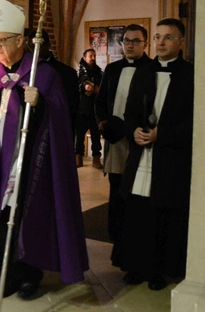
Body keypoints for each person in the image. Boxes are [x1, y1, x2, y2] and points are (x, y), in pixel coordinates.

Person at [0, 0, 89, 300]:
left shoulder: (45, 76)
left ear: (22, 40)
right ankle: (7, 274)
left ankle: (29, 276)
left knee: (26, 217)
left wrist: (40, 105)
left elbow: (61, 122)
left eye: (3, 41)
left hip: (27, 162)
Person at [114, 18, 194, 291]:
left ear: (181, 42)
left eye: (168, 38)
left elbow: (194, 120)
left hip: (169, 158)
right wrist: (134, 130)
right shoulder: (144, 71)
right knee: (137, 211)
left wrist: (163, 135)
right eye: (158, 37)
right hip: (142, 155)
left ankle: (159, 270)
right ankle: (136, 266)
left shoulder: (190, 75)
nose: (161, 42)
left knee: (163, 214)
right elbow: (130, 112)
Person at [94, 24, 152, 267]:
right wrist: (102, 123)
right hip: (116, 140)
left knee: (135, 197)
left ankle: (136, 249)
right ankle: (117, 242)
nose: (129, 44)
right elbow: (100, 101)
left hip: (139, 142)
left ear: (144, 44)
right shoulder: (113, 68)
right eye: (126, 40)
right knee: (116, 191)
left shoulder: (151, 70)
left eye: (135, 41)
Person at [25, 28, 78, 134]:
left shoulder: (66, 73)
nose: (33, 52)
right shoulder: (25, 72)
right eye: (31, 47)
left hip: (57, 130)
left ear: (48, 46)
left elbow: (71, 108)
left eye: (37, 47)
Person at [75, 49, 103, 168]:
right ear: (85, 57)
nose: (93, 58)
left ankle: (96, 158)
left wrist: (98, 89)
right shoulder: (79, 72)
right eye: (90, 56)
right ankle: (78, 156)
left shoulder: (98, 72)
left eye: (94, 56)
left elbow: (103, 85)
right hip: (82, 108)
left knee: (96, 135)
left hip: (95, 108)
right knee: (80, 135)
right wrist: (83, 86)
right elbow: (75, 86)